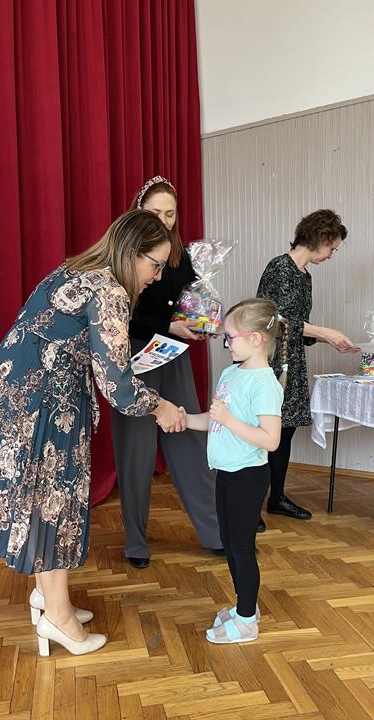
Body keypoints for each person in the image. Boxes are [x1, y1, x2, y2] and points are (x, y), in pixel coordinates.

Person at [0, 209, 186, 657]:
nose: (157, 277)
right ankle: (57, 619)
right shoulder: (109, 291)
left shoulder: (76, 270)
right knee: (53, 506)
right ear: (130, 253)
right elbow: (118, 387)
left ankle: (48, 599)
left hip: (7, 392)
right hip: (38, 405)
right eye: (155, 265)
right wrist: (162, 407)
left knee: (45, 502)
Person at [111, 176, 223, 568]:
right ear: (138, 211)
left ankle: (215, 532)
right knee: (136, 452)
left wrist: (201, 322)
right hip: (134, 359)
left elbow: (189, 305)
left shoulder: (183, 256)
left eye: (170, 214)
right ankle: (136, 542)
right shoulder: (120, 258)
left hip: (173, 356)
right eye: (155, 212)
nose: (163, 220)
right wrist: (169, 326)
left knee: (190, 439)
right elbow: (124, 316)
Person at [186, 299, 285, 643]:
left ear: (256, 339)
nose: (226, 343)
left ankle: (246, 621)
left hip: (248, 476)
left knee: (242, 547)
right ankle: (245, 607)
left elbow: (271, 439)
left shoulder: (265, 384)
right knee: (228, 543)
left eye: (230, 337)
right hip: (226, 472)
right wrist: (185, 419)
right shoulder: (231, 374)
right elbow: (215, 420)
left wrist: (228, 419)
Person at [256, 209, 358, 527]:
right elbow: (273, 320)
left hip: (293, 361)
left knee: (284, 432)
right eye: (332, 248)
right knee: (263, 433)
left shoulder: (304, 276)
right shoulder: (279, 268)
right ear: (318, 238)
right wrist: (325, 332)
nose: (331, 255)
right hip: (269, 361)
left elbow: (299, 326)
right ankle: (249, 506)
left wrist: (330, 340)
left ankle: (276, 498)